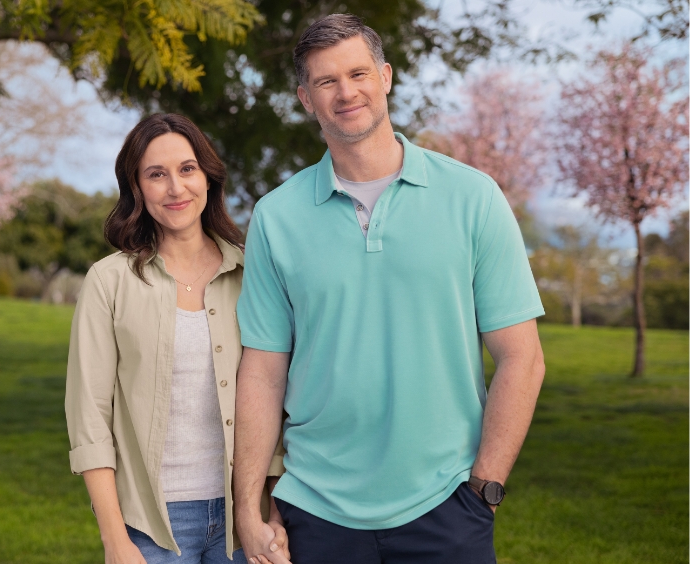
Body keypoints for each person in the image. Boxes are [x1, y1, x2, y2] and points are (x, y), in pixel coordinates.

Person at [233, 14, 546, 564]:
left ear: (385, 76)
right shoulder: (276, 217)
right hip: (316, 510)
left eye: (358, 73)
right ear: (305, 98)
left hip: (448, 507)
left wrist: (485, 490)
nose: (346, 92)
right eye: (326, 82)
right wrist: (247, 506)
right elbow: (261, 370)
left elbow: (521, 357)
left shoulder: (472, 197)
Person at [65, 114, 288, 564]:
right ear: (137, 188)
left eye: (187, 169)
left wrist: (276, 513)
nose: (175, 188)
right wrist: (115, 541)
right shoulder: (108, 282)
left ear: (208, 176)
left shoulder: (254, 275)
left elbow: (281, 401)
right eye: (156, 174)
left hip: (244, 518)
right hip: (150, 526)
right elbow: (89, 419)